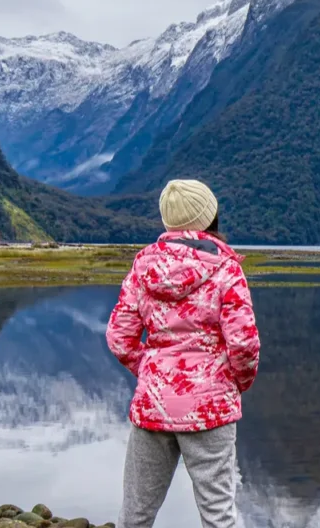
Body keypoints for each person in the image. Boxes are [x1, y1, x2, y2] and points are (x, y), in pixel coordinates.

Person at [106, 179, 260, 528]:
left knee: (135, 515)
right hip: (210, 408)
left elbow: (119, 337)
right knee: (218, 515)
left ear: (168, 219)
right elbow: (245, 343)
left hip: (153, 404)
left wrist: (150, 370)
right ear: (208, 217)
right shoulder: (226, 268)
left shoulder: (142, 267)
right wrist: (235, 383)